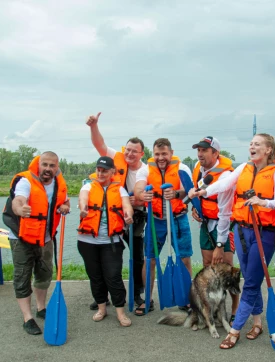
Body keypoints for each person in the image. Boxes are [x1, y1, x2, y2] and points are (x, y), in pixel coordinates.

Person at [192, 133, 275, 349]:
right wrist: (204, 191)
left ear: (268, 149)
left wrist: (262, 202)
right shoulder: (244, 167)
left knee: (251, 283)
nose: (252, 147)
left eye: (257, 144)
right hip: (243, 231)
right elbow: (224, 184)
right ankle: (258, 322)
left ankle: (234, 331)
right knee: (251, 279)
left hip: (264, 233)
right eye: (251, 144)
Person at [86, 113, 147, 312]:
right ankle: (102, 296)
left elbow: (150, 197)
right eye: (127, 150)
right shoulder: (116, 158)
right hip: (113, 216)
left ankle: (137, 293)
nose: (129, 154)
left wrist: (135, 200)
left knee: (137, 257)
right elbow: (99, 143)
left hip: (136, 216)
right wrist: (94, 126)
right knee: (108, 256)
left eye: (134, 151)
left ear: (141, 154)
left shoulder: (145, 170)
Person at [4, 152, 70, 335]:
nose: (48, 169)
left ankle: (41, 308)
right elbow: (18, 200)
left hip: (46, 238)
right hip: (21, 238)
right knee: (22, 276)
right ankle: (28, 318)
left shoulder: (58, 183)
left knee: (44, 274)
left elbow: (63, 201)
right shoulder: (25, 181)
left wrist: (64, 207)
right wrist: (20, 209)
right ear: (38, 165)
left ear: (57, 167)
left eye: (52, 166)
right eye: (45, 165)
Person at [134, 138, 193, 313]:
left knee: (184, 258)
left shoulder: (182, 168)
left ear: (171, 153)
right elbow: (138, 188)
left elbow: (188, 191)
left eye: (164, 154)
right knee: (150, 259)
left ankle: (186, 298)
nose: (161, 158)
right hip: (155, 220)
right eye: (157, 154)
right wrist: (142, 195)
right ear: (153, 154)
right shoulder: (145, 170)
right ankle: (148, 299)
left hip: (178, 219)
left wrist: (176, 193)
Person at [78, 156, 134, 327]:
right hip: (88, 241)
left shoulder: (120, 190)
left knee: (113, 276)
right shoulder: (88, 186)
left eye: (104, 170)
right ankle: (102, 308)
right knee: (95, 276)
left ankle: (120, 312)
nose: (100, 173)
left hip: (112, 241)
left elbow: (126, 205)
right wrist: (83, 209)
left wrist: (128, 215)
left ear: (112, 172)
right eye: (98, 170)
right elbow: (83, 199)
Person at [188, 136, 239, 323]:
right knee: (208, 264)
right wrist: (196, 208)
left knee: (227, 269)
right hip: (206, 223)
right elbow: (197, 194)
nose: (200, 154)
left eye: (204, 150)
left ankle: (235, 311)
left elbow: (225, 210)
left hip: (223, 224)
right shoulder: (197, 168)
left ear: (215, 153)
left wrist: (220, 243)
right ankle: (213, 308)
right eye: (198, 150)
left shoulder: (225, 175)